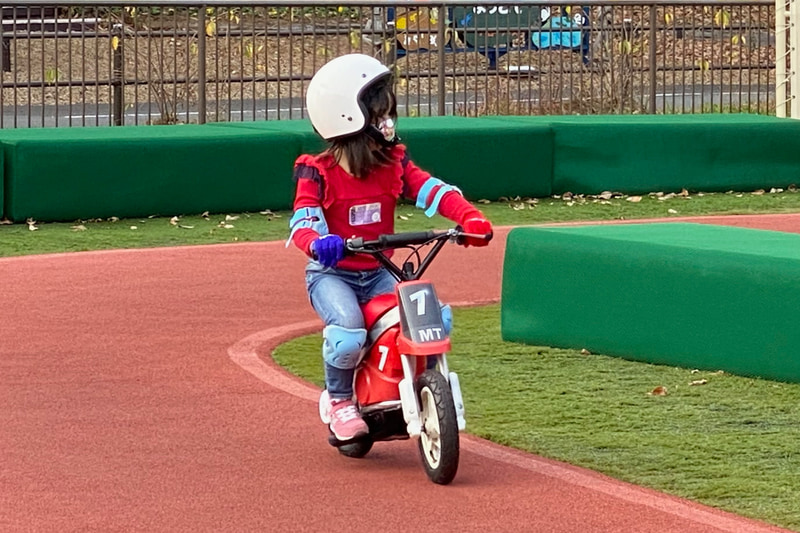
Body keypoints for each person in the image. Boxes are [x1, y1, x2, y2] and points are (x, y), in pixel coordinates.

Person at [286, 53, 492, 443]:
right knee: (348, 331)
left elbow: (431, 188)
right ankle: (340, 399)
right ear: (347, 116)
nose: (388, 122)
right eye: (380, 114)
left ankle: (408, 387)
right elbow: (304, 219)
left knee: (433, 319)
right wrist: (319, 244)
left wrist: (468, 218)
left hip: (380, 269)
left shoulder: (393, 162)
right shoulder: (317, 171)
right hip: (333, 274)